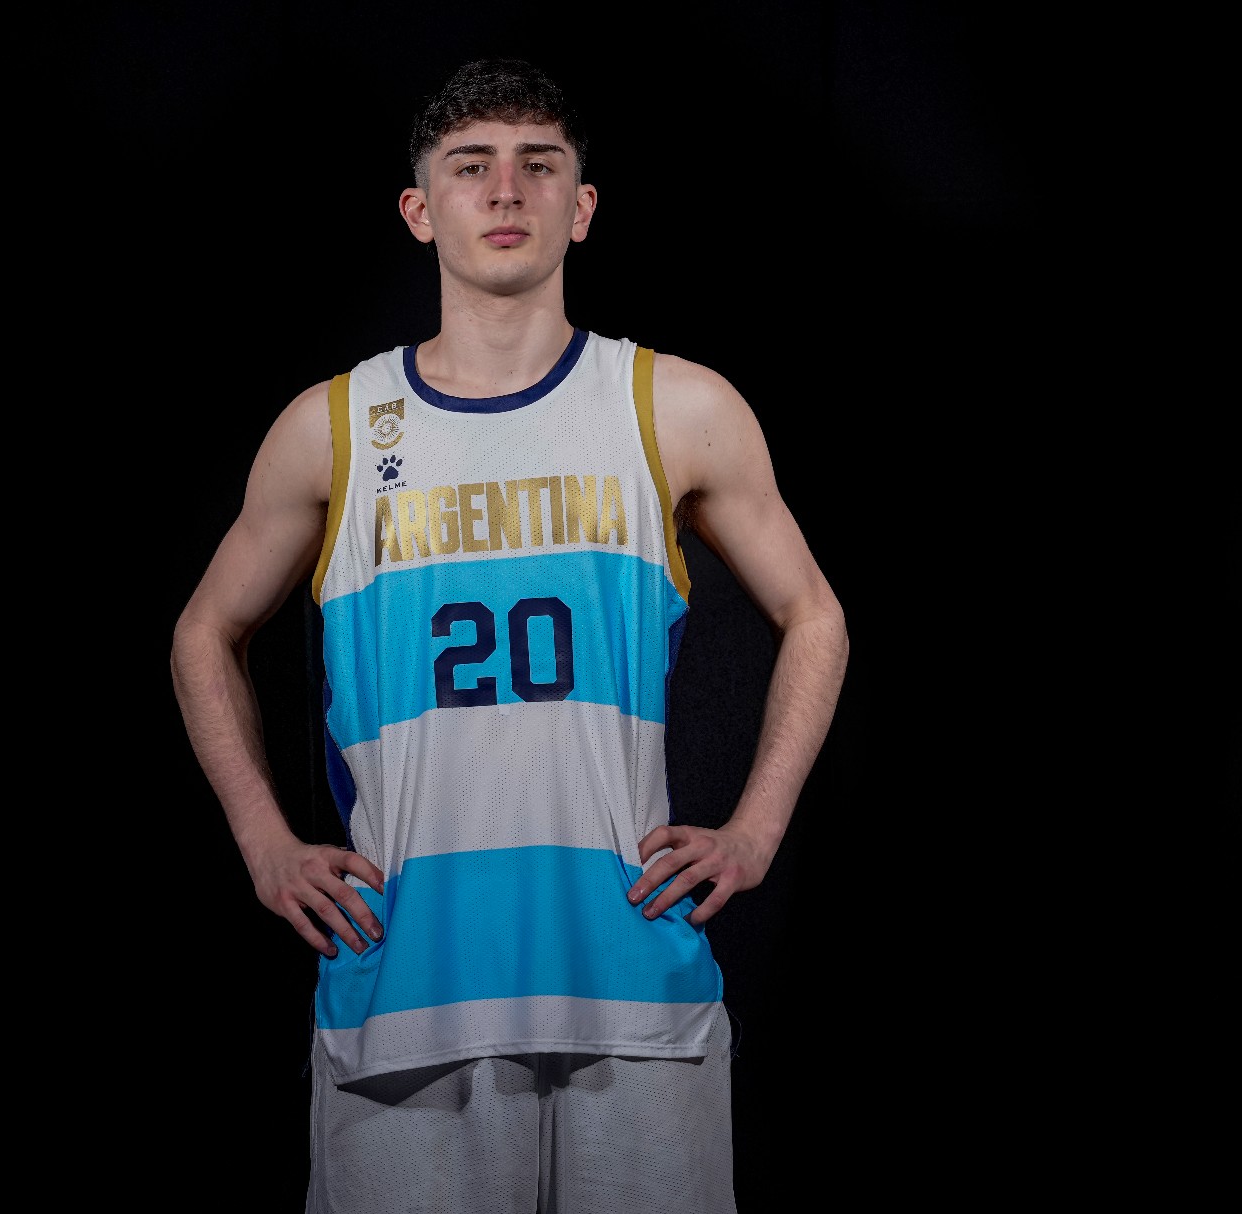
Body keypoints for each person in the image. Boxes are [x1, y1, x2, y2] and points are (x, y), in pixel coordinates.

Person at [170, 56, 848, 1214]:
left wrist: (755, 828)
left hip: (632, 994)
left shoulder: (672, 406)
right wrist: (263, 841)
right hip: (407, 999)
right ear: (417, 208)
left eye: (539, 166)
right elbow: (204, 632)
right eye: (470, 166)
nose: (504, 190)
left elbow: (815, 614)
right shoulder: (334, 426)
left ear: (581, 208)